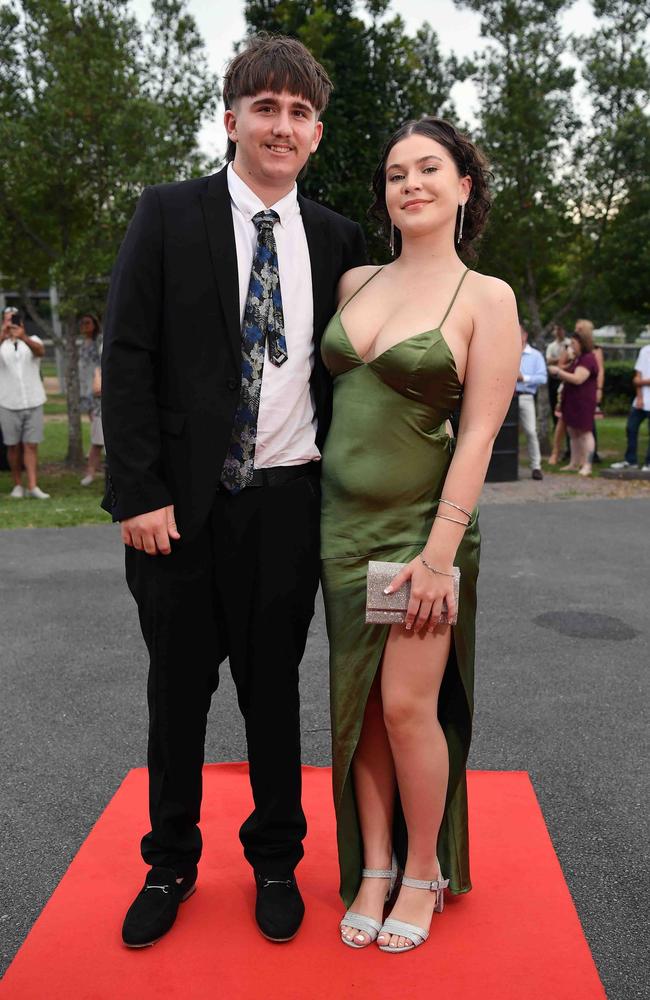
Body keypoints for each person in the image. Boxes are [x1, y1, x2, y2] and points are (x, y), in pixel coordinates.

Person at [101, 33, 367, 949]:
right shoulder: (167, 215)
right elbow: (126, 358)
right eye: (265, 107)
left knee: (272, 692)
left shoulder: (338, 239)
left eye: (298, 112)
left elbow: (350, 380)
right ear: (231, 118)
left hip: (288, 504)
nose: (280, 124)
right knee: (176, 694)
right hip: (174, 508)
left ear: (317, 132)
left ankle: (277, 858)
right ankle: (170, 861)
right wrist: (136, 491)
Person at [320, 117, 520, 954]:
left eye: (430, 168)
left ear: (465, 184)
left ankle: (424, 869)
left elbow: (478, 437)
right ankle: (373, 864)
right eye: (397, 172)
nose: (412, 184)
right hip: (338, 528)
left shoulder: (487, 297)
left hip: (419, 534)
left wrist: (441, 555)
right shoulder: (355, 282)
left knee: (407, 707)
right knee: (359, 710)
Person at [0, 307, 50, 499]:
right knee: (12, 446)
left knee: (31, 445)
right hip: (8, 401)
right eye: (7, 319)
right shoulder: (2, 344)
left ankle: (33, 485)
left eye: (14, 319)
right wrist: (3, 334)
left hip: (33, 399)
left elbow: (40, 352)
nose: (11, 323)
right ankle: (17, 484)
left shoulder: (33, 340)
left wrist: (23, 337)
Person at [548, 321, 599, 476]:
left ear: (582, 343)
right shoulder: (576, 358)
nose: (572, 346)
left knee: (585, 432)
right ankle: (574, 462)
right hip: (571, 401)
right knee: (573, 432)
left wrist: (558, 372)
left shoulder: (588, 359)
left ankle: (587, 464)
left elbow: (578, 379)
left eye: (574, 343)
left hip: (583, 402)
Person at [610, 343, 650, 472]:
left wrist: (642, 381)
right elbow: (637, 378)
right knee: (631, 428)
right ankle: (630, 460)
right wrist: (639, 397)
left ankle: (648, 463)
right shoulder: (645, 351)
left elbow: (640, 380)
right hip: (642, 399)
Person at [516, 324, 547, 480]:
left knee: (531, 431)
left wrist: (524, 378)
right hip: (507, 397)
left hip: (526, 396)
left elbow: (542, 378)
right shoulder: (506, 353)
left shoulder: (535, 355)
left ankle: (536, 466)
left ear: (525, 335)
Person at [77, 312, 104, 486]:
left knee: (99, 437)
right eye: (82, 323)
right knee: (95, 436)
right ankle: (91, 472)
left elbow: (99, 366)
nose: (85, 326)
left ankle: (95, 472)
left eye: (88, 323)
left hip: (99, 391)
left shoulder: (99, 341)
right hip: (87, 391)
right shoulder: (82, 345)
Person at [545, 323, 570, 425]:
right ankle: (556, 424)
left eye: (561, 330)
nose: (559, 332)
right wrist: (561, 359)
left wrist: (557, 361)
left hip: (566, 376)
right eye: (557, 330)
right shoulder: (551, 346)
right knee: (554, 402)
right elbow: (549, 360)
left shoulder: (569, 343)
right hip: (554, 378)